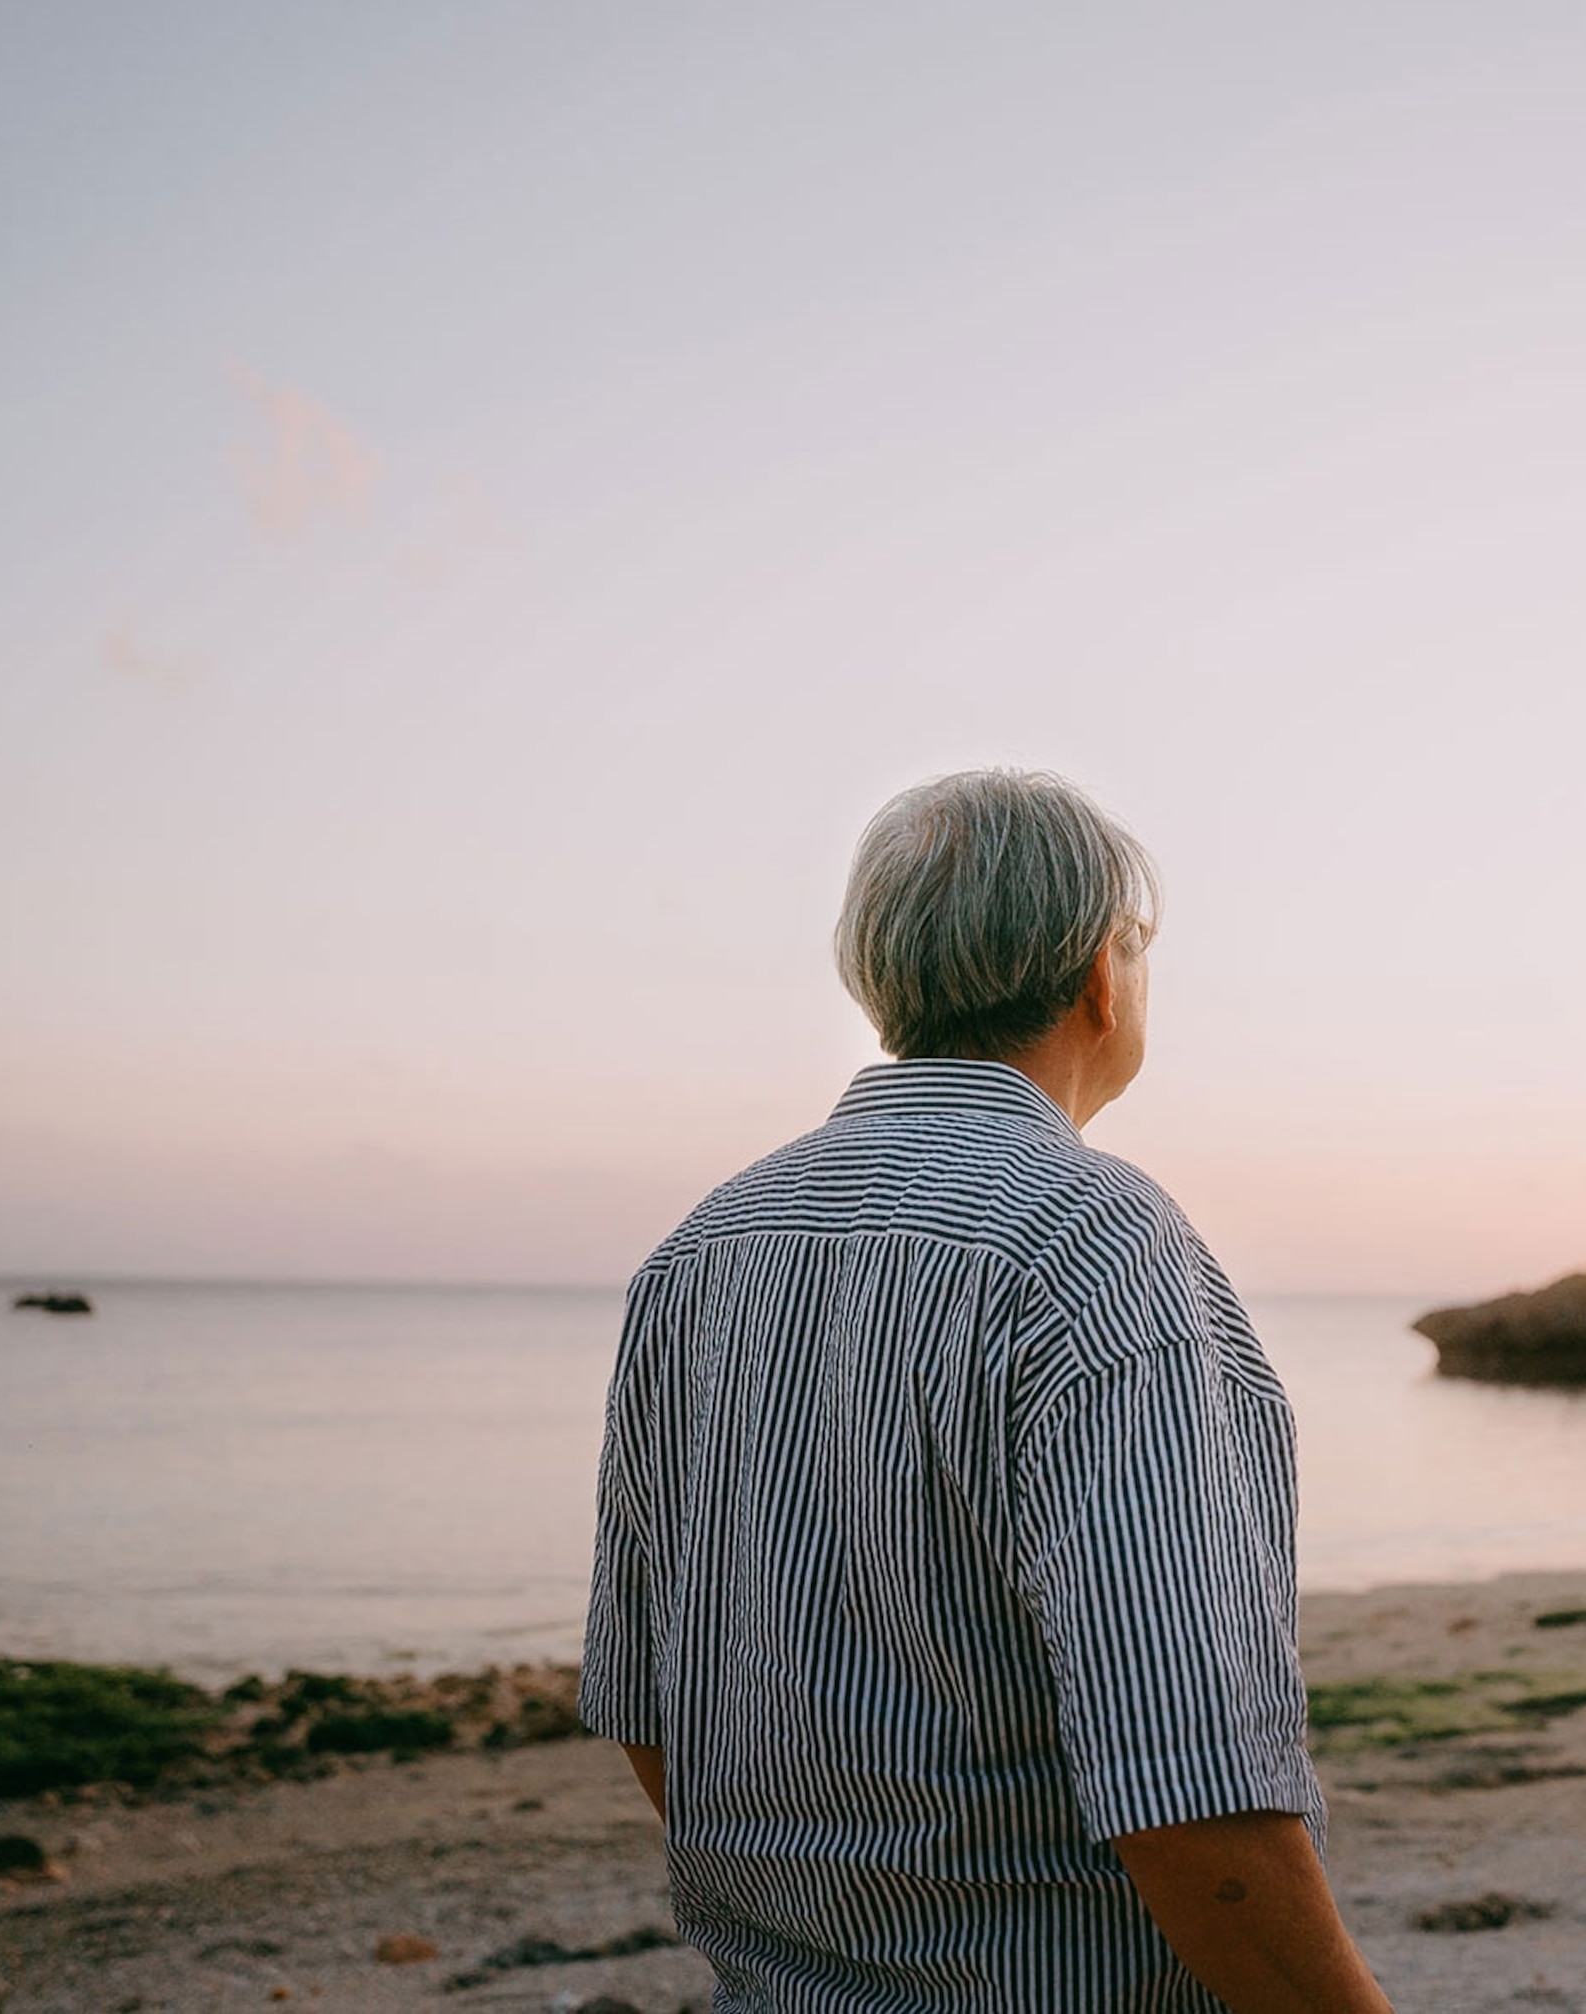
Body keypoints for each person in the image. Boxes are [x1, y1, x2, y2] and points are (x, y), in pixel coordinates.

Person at [581, 769, 1390, 2012]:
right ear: (1099, 979)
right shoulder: (1093, 1245)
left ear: (881, 979)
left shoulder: (698, 1258)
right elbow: (1191, 1779)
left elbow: (647, 1699)